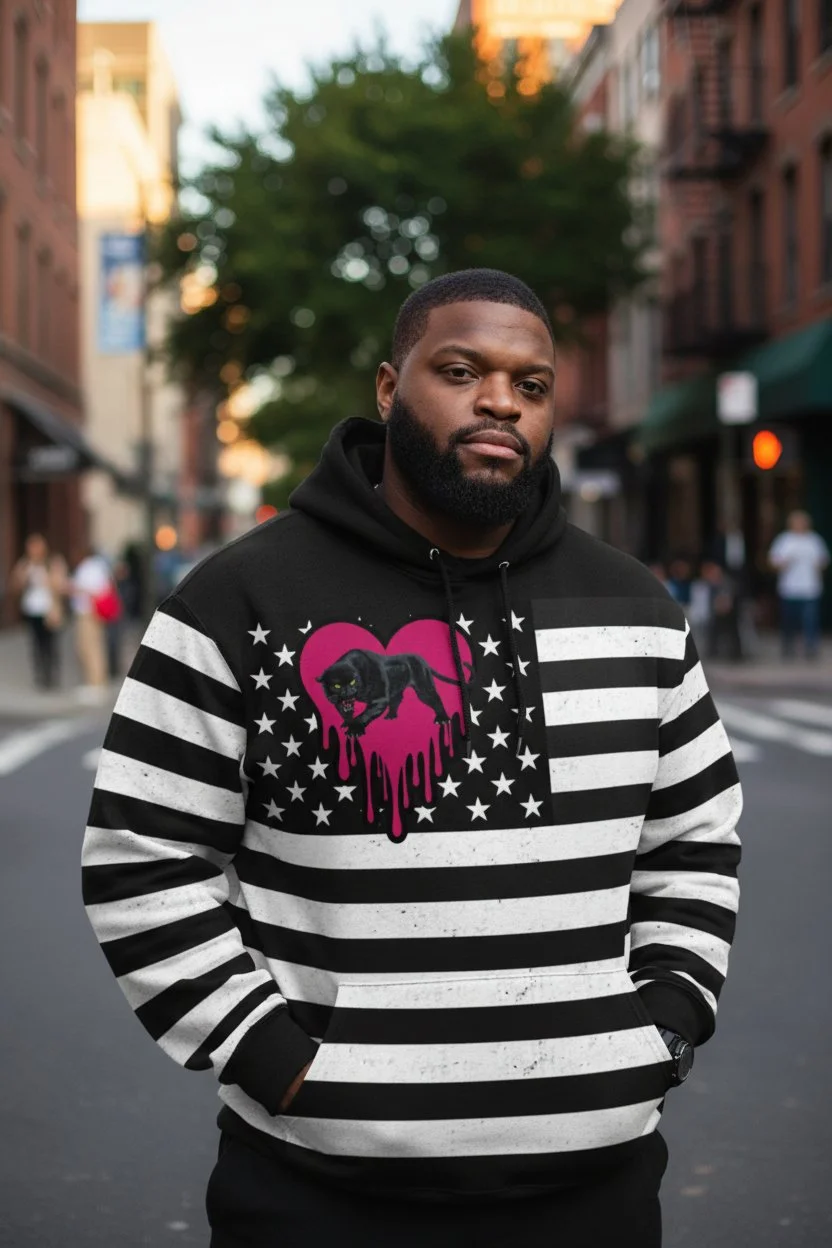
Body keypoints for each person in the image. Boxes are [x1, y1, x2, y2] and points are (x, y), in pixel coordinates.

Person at [81, 270, 742, 1248]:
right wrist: (273, 1060)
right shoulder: (237, 601)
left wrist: (668, 1024)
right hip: (316, 1194)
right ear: (390, 390)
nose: (500, 401)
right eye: (461, 371)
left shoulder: (637, 609)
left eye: (530, 383)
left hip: (595, 1189)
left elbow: (694, 845)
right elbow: (142, 858)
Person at [10, 533, 68, 689]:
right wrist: (24, 576)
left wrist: (48, 579)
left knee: (50, 643)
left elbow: (61, 584)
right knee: (36, 643)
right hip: (32, 609)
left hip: (49, 610)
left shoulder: (52, 562)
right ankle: (40, 674)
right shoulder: (25, 564)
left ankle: (51, 674)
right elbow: (15, 586)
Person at [769, 511, 830, 659]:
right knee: (789, 620)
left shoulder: (814, 540)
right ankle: (788, 648)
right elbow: (773, 561)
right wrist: (783, 564)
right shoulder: (784, 540)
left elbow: (824, 560)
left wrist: (819, 566)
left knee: (810, 620)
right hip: (789, 588)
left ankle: (811, 648)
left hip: (810, 588)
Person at [71, 547, 113, 699]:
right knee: (84, 647)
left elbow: (99, 590)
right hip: (85, 612)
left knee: (92, 648)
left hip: (90, 613)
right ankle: (92, 681)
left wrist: (78, 589)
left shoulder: (92, 568)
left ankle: (97, 684)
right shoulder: (91, 567)